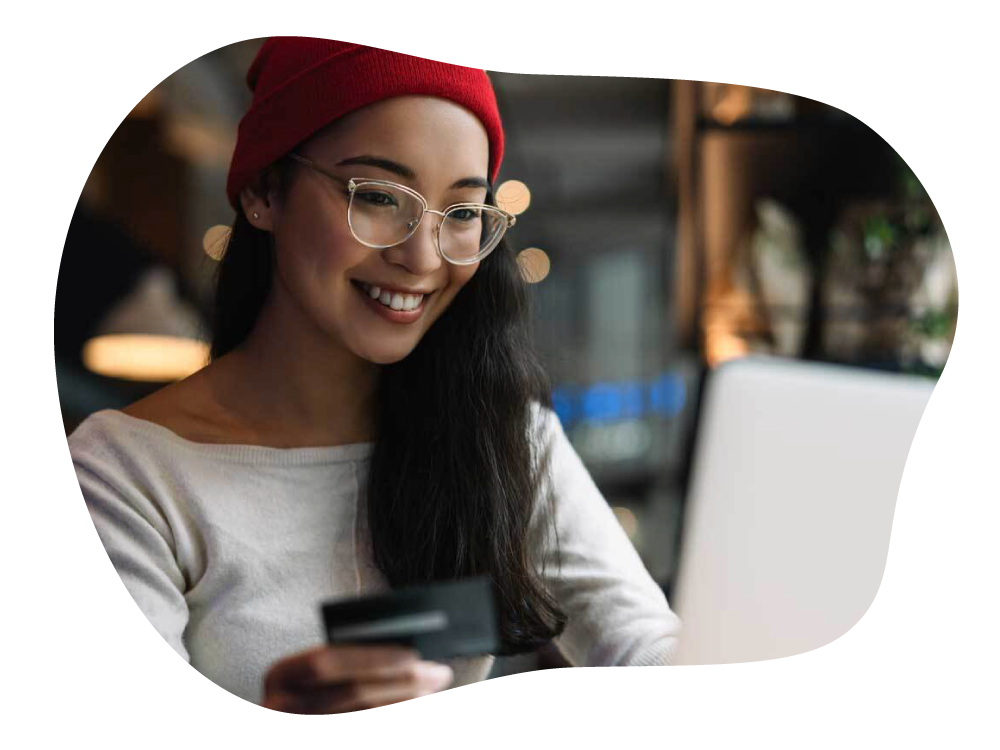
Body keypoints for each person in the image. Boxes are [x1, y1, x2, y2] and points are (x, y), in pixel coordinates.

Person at [67, 39, 683, 714]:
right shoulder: (127, 475)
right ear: (263, 190)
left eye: (463, 213)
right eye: (381, 197)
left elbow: (645, 645)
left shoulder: (505, 441)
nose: (423, 257)